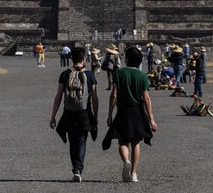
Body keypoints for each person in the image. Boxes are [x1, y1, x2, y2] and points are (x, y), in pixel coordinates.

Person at [103, 47, 158, 183]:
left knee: (122, 141)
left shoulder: (119, 73)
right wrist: (151, 119)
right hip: (137, 110)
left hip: (122, 110)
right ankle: (133, 173)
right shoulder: (142, 75)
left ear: (127, 59)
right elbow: (146, 98)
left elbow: (114, 95)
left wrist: (110, 114)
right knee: (136, 142)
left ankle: (126, 160)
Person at [50, 47, 99, 182]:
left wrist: (53, 116)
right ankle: (78, 168)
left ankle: (75, 167)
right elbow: (94, 97)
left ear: (72, 59)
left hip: (69, 112)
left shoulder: (65, 74)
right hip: (84, 112)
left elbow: (59, 96)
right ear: (84, 59)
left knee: (73, 141)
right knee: (82, 140)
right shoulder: (89, 75)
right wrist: (95, 115)